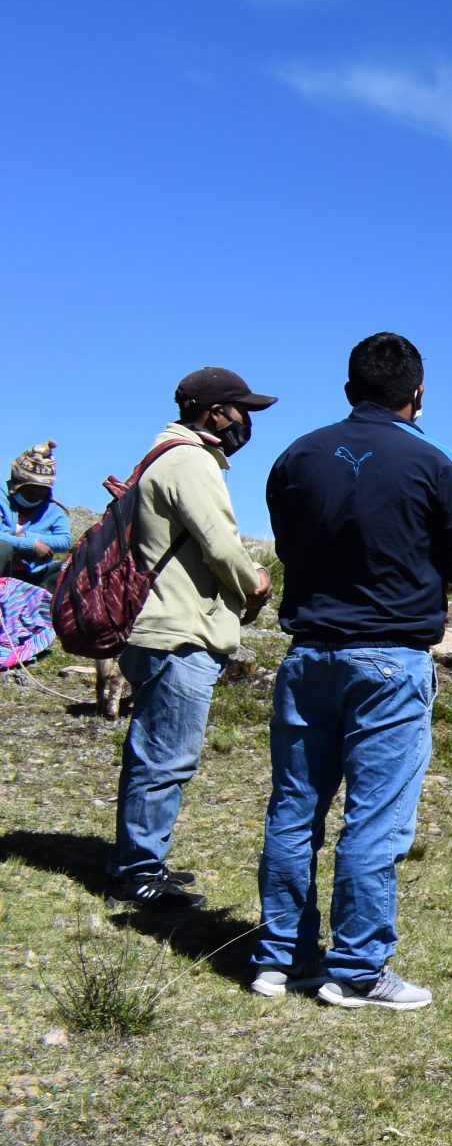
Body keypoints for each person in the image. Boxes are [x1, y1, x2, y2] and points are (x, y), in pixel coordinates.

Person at [253, 334, 452, 1009]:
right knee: (375, 817)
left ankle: (281, 956)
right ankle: (356, 969)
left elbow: (288, 542)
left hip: (308, 653)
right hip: (390, 655)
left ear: (349, 386)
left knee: (295, 807)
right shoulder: (433, 463)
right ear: (417, 393)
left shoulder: (294, 456)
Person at [110, 369, 276, 907]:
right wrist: (255, 582)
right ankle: (138, 872)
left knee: (156, 752)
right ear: (213, 411)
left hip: (159, 626)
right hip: (179, 631)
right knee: (165, 757)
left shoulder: (167, 455)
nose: (244, 421)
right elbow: (220, 544)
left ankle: (142, 861)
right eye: (239, 409)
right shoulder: (191, 462)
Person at [1, 441, 73, 669]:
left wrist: (32, 538)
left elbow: (64, 541)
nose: (34, 496)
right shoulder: (2, 500)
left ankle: (42, 618)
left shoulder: (52, 510)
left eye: (39, 492)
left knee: (68, 568)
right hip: (6, 570)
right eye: (29, 490)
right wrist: (30, 545)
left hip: (36, 574)